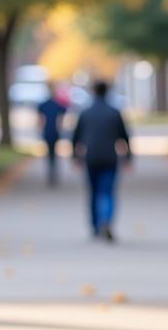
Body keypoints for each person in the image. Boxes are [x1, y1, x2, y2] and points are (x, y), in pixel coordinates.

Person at [71, 80, 131, 241]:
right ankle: (107, 220)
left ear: (93, 91)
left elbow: (76, 137)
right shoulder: (114, 112)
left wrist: (75, 157)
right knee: (108, 192)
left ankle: (95, 226)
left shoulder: (85, 112)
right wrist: (129, 157)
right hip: (110, 158)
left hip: (91, 158)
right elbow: (124, 136)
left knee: (93, 192)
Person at [37, 83, 68, 186]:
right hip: (54, 131)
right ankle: (52, 173)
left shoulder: (44, 105)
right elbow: (62, 117)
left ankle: (51, 173)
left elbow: (40, 119)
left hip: (48, 131)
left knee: (50, 153)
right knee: (53, 153)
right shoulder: (57, 105)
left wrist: (41, 128)